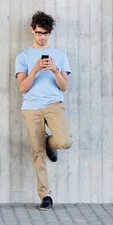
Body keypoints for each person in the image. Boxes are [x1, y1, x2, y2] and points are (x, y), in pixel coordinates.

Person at [15, 11, 72, 211]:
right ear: (32, 30)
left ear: (50, 33)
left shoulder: (60, 56)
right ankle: (45, 195)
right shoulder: (22, 57)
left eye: (46, 33)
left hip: (54, 104)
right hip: (31, 108)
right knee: (37, 152)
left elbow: (64, 87)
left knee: (65, 141)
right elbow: (23, 88)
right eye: (39, 33)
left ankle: (50, 143)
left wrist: (55, 70)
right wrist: (36, 70)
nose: (42, 37)